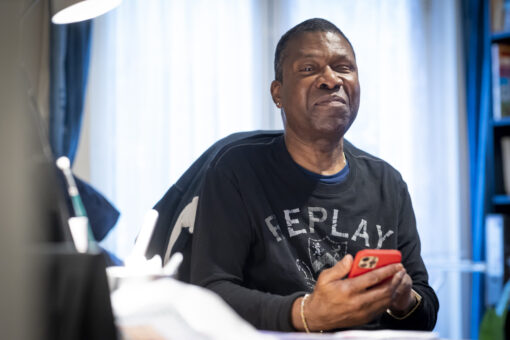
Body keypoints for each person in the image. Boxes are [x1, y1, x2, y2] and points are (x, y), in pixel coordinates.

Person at [189, 18, 439, 332]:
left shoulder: (387, 183)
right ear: (277, 93)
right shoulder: (236, 171)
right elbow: (210, 291)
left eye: (343, 67)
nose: (331, 80)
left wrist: (404, 300)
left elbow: (425, 306)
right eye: (309, 69)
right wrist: (304, 314)